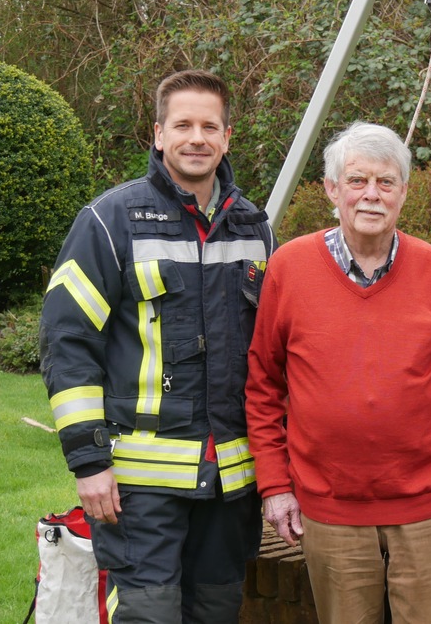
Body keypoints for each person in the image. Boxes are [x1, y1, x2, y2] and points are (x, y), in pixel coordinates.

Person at [245, 121, 431, 624]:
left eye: (386, 182)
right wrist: (276, 486)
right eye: (357, 181)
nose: (371, 195)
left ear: (404, 194)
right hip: (331, 511)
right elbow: (263, 389)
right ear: (331, 189)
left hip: (429, 509)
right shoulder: (289, 269)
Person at [39, 70, 275, 623]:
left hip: (231, 481)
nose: (197, 137)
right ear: (158, 134)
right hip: (138, 485)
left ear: (227, 137)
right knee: (150, 614)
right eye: (183, 125)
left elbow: (275, 353)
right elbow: (67, 342)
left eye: (209, 126)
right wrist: (88, 461)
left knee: (217, 611)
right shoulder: (109, 220)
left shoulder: (254, 227)